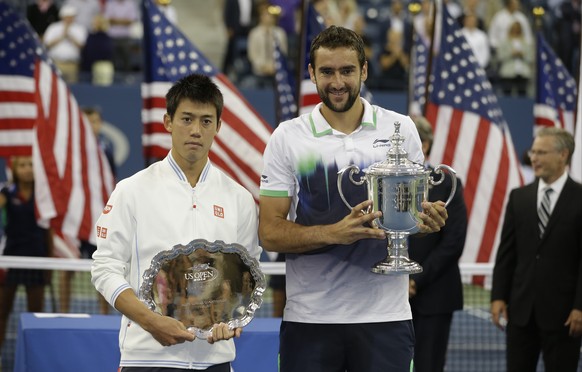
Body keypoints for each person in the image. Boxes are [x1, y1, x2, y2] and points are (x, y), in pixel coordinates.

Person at [258, 25, 449, 372]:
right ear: (312, 73)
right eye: (327, 71)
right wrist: (334, 232)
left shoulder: (401, 129)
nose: (337, 82)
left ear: (363, 70)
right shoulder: (287, 137)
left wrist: (425, 224)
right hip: (309, 319)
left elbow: (407, 220)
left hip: (386, 318)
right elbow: (269, 232)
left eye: (347, 70)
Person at [91, 73, 261, 370]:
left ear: (218, 127)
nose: (196, 130)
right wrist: (152, 322)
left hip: (216, 360)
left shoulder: (240, 199)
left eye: (206, 121)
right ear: (168, 122)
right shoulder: (132, 190)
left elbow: (246, 278)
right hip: (147, 358)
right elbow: (105, 268)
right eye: (186, 119)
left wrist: (232, 319)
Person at [491, 127, 582, 371]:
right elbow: (507, 252)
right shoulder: (518, 197)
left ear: (563, 155)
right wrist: (498, 296)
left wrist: (580, 307)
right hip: (520, 313)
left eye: (542, 152)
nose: (534, 158)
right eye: (533, 151)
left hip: (564, 316)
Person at [408, 116, 468, 372]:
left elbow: (453, 242)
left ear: (426, 144)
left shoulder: (446, 183)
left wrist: (414, 279)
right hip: (387, 295)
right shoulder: (383, 181)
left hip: (434, 296)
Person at [59, 106, 115, 315]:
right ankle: (63, 313)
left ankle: (104, 316)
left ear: (100, 124)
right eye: (87, 121)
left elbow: (109, 182)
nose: (92, 125)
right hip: (74, 218)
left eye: (95, 121)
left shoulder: (106, 148)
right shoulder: (69, 148)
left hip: (98, 219)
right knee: (68, 268)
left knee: (102, 266)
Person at [0, 156, 53, 351]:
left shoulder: (42, 195)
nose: (27, 169)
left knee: (35, 314)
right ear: (14, 169)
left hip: (36, 260)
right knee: (2, 312)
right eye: (22, 165)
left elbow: (49, 232)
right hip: (11, 259)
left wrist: (49, 261)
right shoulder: (7, 192)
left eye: (31, 165)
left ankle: (33, 354)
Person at [43, 5, 88, 83]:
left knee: (73, 87)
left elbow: (81, 45)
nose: (70, 19)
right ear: (63, 16)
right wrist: (62, 36)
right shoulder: (53, 27)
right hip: (56, 62)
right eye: (68, 16)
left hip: (72, 64)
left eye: (72, 16)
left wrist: (69, 36)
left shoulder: (79, 28)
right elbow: (47, 44)